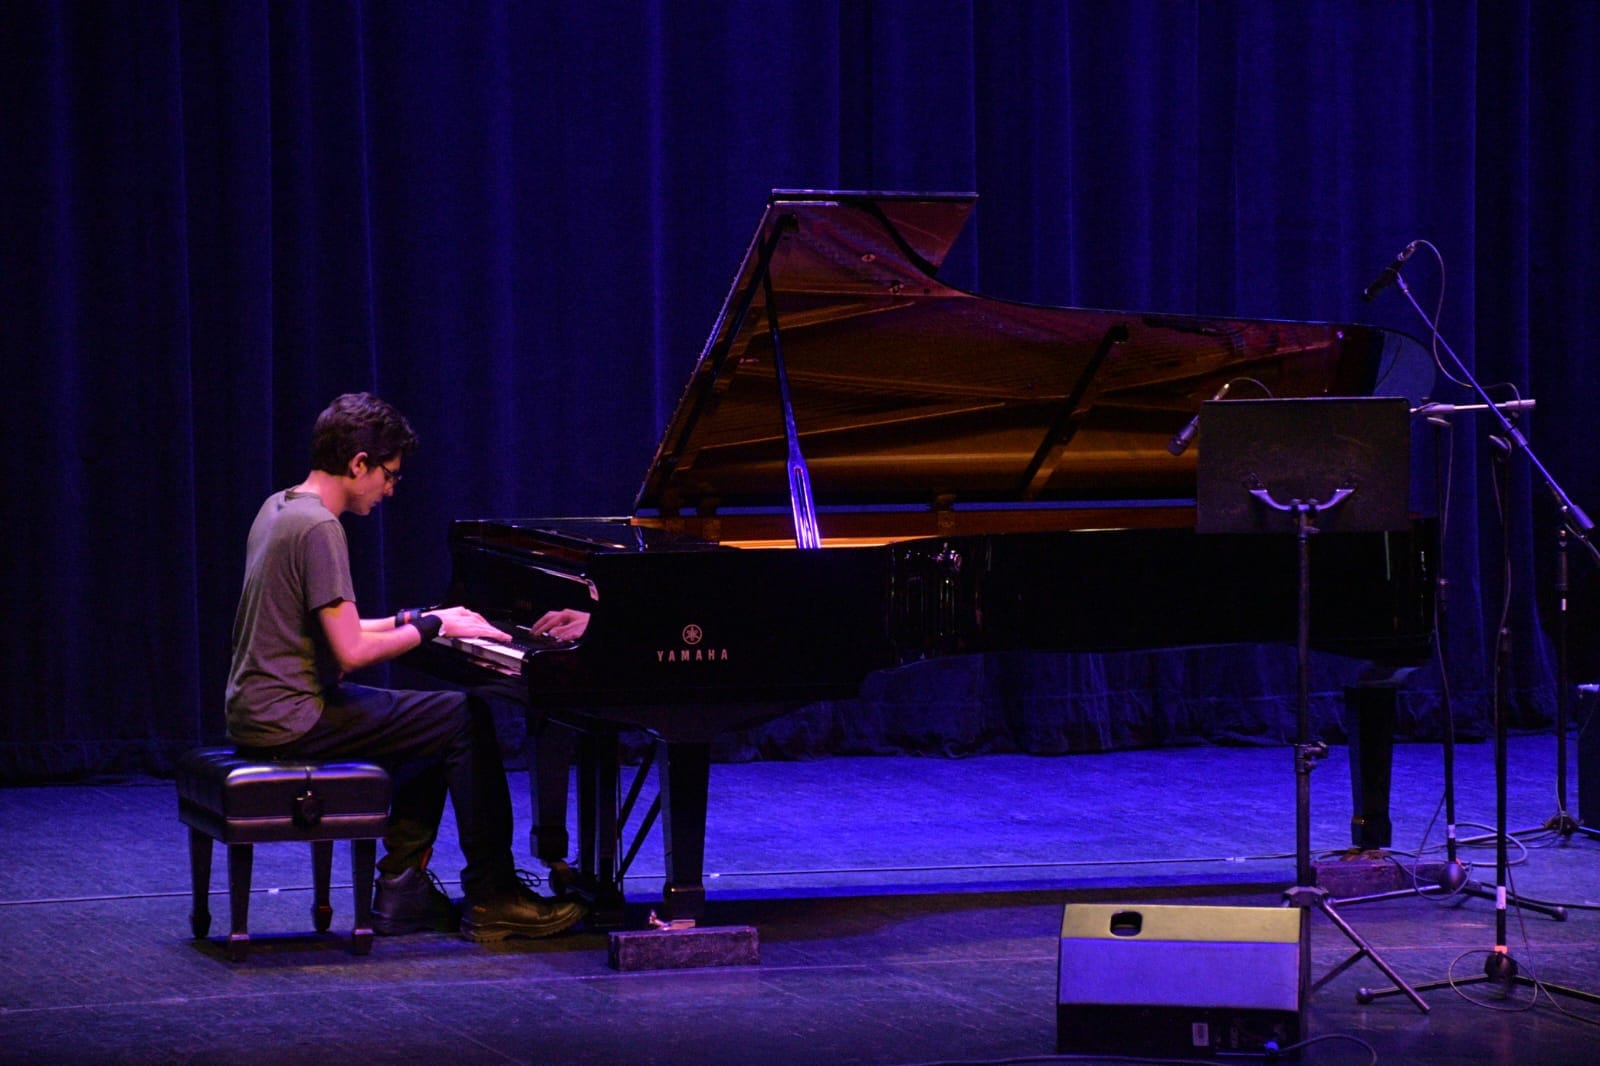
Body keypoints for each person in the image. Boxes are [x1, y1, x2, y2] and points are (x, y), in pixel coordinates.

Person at [225, 391, 586, 941]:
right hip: (292, 716)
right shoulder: (322, 528)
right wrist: (436, 628)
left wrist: (416, 616)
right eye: (388, 475)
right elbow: (350, 653)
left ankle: (400, 888)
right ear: (358, 464)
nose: (391, 489)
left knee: (432, 726)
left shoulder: (281, 507)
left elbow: (331, 626)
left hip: (258, 707)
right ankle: (493, 896)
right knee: (463, 717)